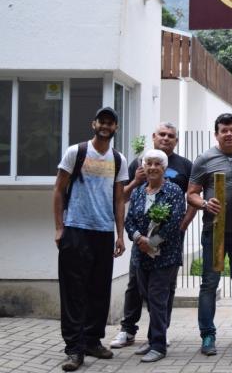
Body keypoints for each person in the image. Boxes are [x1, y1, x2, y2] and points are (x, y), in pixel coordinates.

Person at [53, 106, 128, 371]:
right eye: (102, 121)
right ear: (93, 124)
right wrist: (60, 227)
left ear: (115, 128)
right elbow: (59, 189)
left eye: (110, 123)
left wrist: (120, 234)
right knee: (74, 292)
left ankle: (92, 341)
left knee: (99, 290)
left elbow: (119, 199)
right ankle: (74, 349)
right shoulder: (77, 152)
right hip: (75, 229)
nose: (106, 126)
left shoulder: (118, 159)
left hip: (103, 232)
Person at [111, 122, 194, 350]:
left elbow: (189, 199)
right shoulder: (138, 167)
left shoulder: (185, 167)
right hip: (141, 247)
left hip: (168, 244)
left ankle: (159, 336)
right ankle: (128, 330)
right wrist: (140, 239)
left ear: (176, 140)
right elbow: (123, 202)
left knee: (163, 291)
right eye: (162, 134)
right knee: (136, 287)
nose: (166, 138)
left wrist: (179, 227)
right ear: (154, 136)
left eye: (171, 136)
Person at [187, 113, 232, 356]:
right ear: (217, 134)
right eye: (224, 130)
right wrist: (204, 204)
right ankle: (208, 335)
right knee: (209, 284)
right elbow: (191, 193)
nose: (229, 134)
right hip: (215, 231)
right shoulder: (204, 159)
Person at [123, 150, 186, 362]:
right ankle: (152, 339)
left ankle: (158, 346)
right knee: (149, 298)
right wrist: (138, 238)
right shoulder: (139, 192)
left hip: (165, 256)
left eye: (157, 164)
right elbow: (129, 219)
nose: (152, 167)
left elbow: (174, 223)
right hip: (140, 256)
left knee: (158, 299)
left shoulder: (174, 191)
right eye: (148, 163)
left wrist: (152, 243)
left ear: (164, 168)